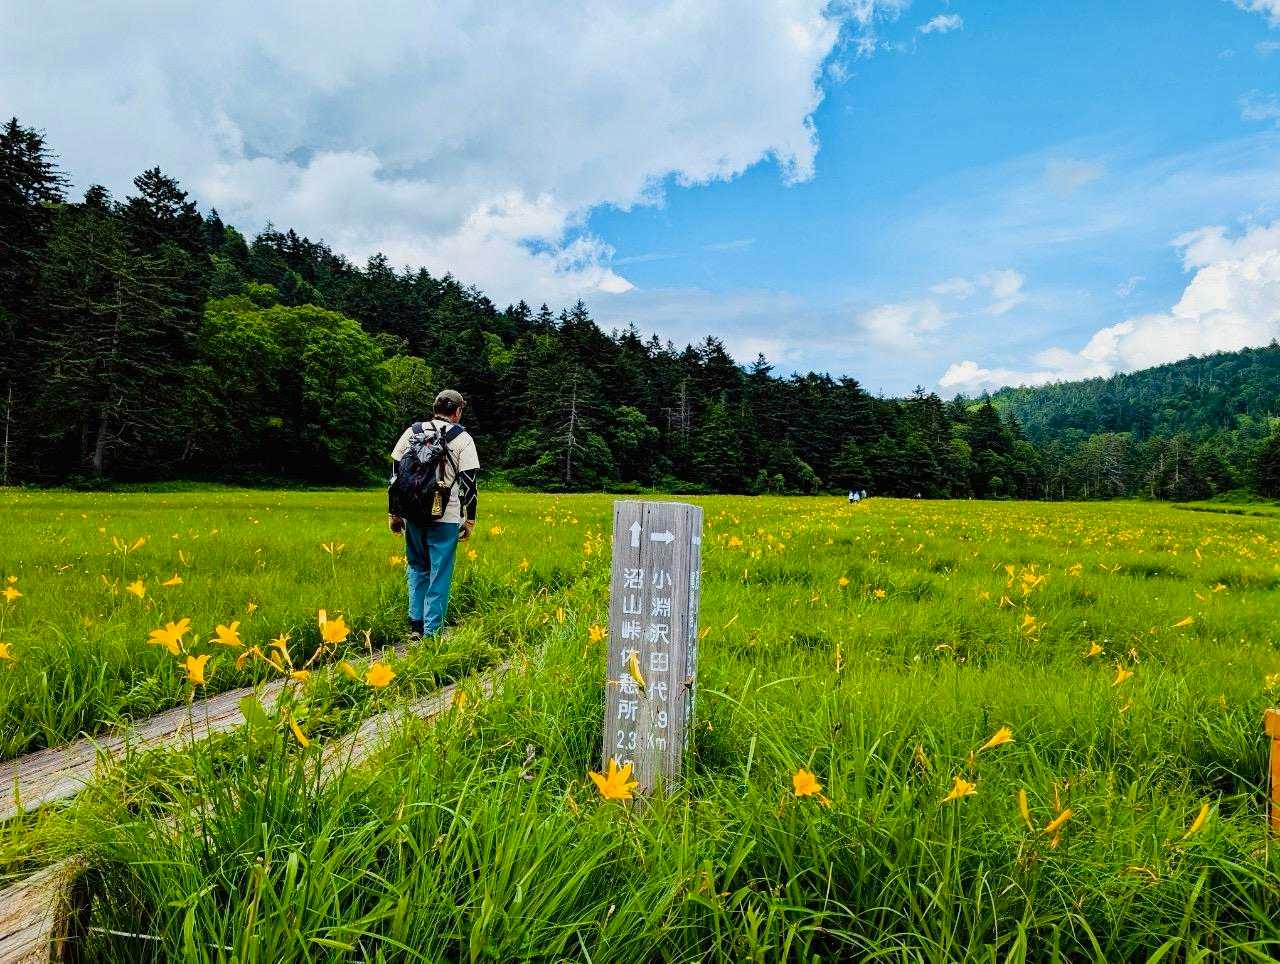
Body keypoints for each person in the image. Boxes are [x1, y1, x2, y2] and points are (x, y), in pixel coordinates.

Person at [388, 390, 480, 640]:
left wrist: (394, 513)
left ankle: (415, 625)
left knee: (417, 566)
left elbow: (395, 476)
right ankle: (432, 633)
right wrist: (470, 519)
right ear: (457, 411)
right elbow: (469, 484)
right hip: (445, 515)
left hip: (412, 512)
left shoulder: (413, 432)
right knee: (440, 572)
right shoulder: (463, 438)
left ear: (435, 408)